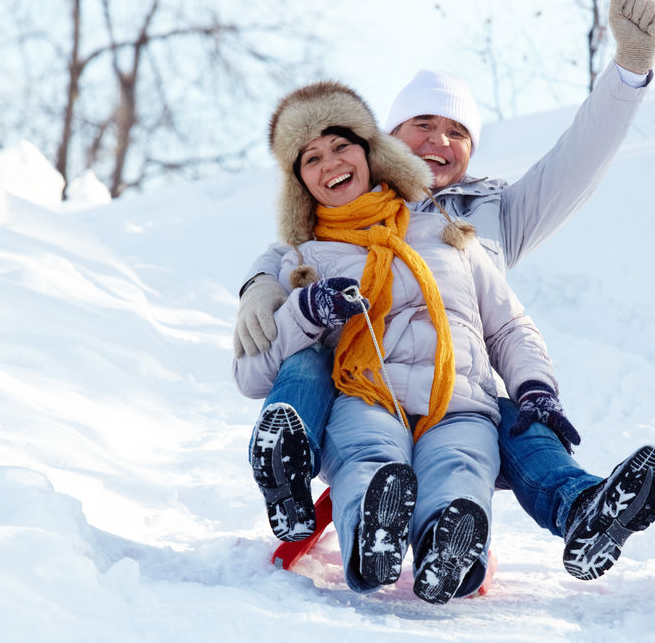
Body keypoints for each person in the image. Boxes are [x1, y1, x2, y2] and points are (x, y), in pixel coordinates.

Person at [234, 0, 655, 581]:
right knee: (352, 416)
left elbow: (578, 162)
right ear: (385, 138)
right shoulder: (333, 213)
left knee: (509, 420)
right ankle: (362, 519)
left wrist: (627, 72)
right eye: (423, 124)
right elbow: (292, 250)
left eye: (457, 132)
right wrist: (261, 284)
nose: (440, 141)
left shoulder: (485, 219)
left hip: (457, 389)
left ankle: (540, 516)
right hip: (364, 385)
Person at [233, 80, 571, 604]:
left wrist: (536, 386)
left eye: (342, 146)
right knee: (369, 457)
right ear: (299, 182)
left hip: (455, 402)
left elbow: (509, 324)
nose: (331, 164)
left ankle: (450, 550)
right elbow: (253, 374)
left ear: (371, 152)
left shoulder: (450, 234)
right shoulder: (303, 255)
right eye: (311, 159)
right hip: (369, 394)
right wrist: (301, 307)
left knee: (460, 466)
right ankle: (371, 537)